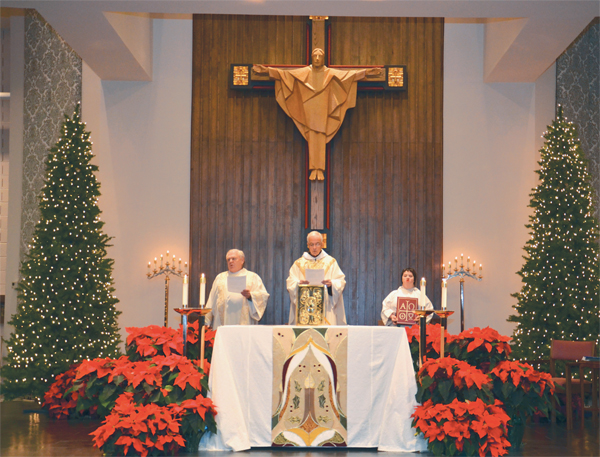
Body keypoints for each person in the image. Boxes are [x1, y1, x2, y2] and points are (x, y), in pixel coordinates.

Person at [253, 49, 382, 181]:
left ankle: (318, 169)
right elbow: (284, 74)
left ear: (323, 58)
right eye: (315, 56)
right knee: (313, 136)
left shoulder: (329, 73)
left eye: (320, 56)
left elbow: (348, 76)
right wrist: (267, 71)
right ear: (311, 57)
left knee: (319, 135)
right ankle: (314, 168)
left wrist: (366, 72)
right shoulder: (304, 72)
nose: (317, 58)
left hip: (324, 107)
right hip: (308, 108)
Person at [286, 231, 346, 325]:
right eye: (311, 244)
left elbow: (340, 281)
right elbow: (290, 283)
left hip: (326, 309)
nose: (314, 248)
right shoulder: (298, 264)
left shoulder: (331, 262)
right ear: (307, 245)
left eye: (317, 244)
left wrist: (331, 285)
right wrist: (299, 284)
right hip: (305, 311)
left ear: (322, 244)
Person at [205, 249, 269, 330]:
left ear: (242, 260)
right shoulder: (220, 278)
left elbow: (262, 296)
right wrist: (206, 322)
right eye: (228, 259)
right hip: (222, 325)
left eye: (234, 259)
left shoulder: (252, 277)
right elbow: (211, 300)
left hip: (244, 327)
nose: (230, 261)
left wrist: (250, 296)